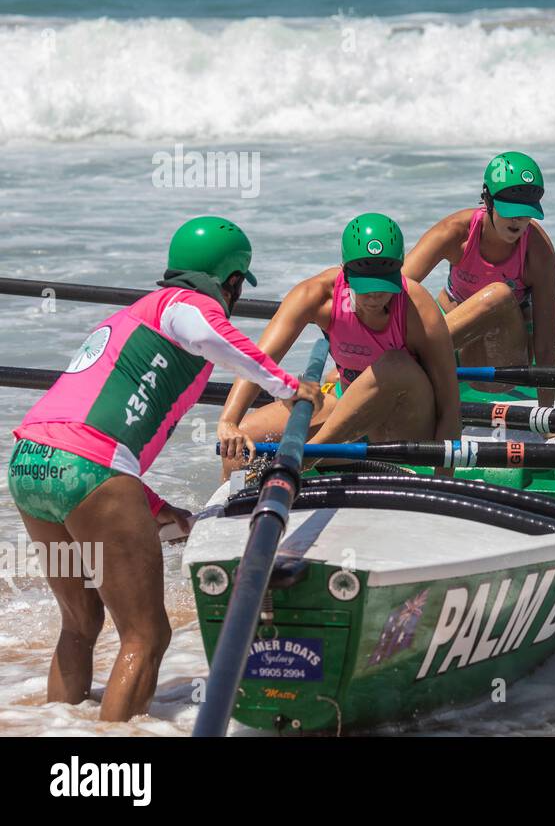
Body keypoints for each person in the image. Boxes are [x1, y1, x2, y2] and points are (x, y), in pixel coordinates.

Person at [7, 217, 318, 721]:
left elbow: (94, 427)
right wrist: (289, 387)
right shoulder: (186, 306)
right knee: (146, 635)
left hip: (31, 462)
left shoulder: (133, 315)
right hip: (88, 468)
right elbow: (211, 335)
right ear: (233, 282)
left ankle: (53, 732)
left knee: (81, 624)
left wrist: (154, 509)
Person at [218, 213, 460, 476]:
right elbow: (259, 360)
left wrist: (443, 480)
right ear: (345, 271)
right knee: (243, 442)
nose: (375, 296)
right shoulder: (317, 296)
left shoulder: (417, 307)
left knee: (394, 364)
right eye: (365, 286)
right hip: (351, 414)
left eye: (384, 284)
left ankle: (306, 458)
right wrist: (229, 421)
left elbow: (449, 405)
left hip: (405, 426)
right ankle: (232, 509)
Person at [402, 152, 555, 405]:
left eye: (525, 212)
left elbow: (547, 340)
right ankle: (395, 364)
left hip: (503, 362)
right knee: (410, 296)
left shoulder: (538, 251)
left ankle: (409, 361)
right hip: (455, 339)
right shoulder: (455, 232)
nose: (518, 220)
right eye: (510, 210)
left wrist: (546, 414)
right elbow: (394, 285)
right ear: (488, 199)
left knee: (498, 294)